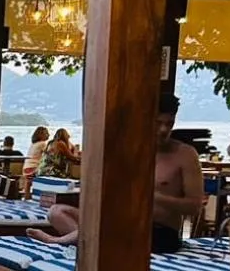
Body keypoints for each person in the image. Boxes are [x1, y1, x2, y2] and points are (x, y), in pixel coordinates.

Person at [28, 93, 203, 254]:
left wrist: (153, 196)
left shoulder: (185, 155)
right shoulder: (131, 152)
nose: (164, 130)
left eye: (169, 123)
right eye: (158, 123)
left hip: (160, 233)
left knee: (112, 227)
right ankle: (84, 240)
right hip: (123, 224)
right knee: (56, 212)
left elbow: (194, 206)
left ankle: (59, 241)